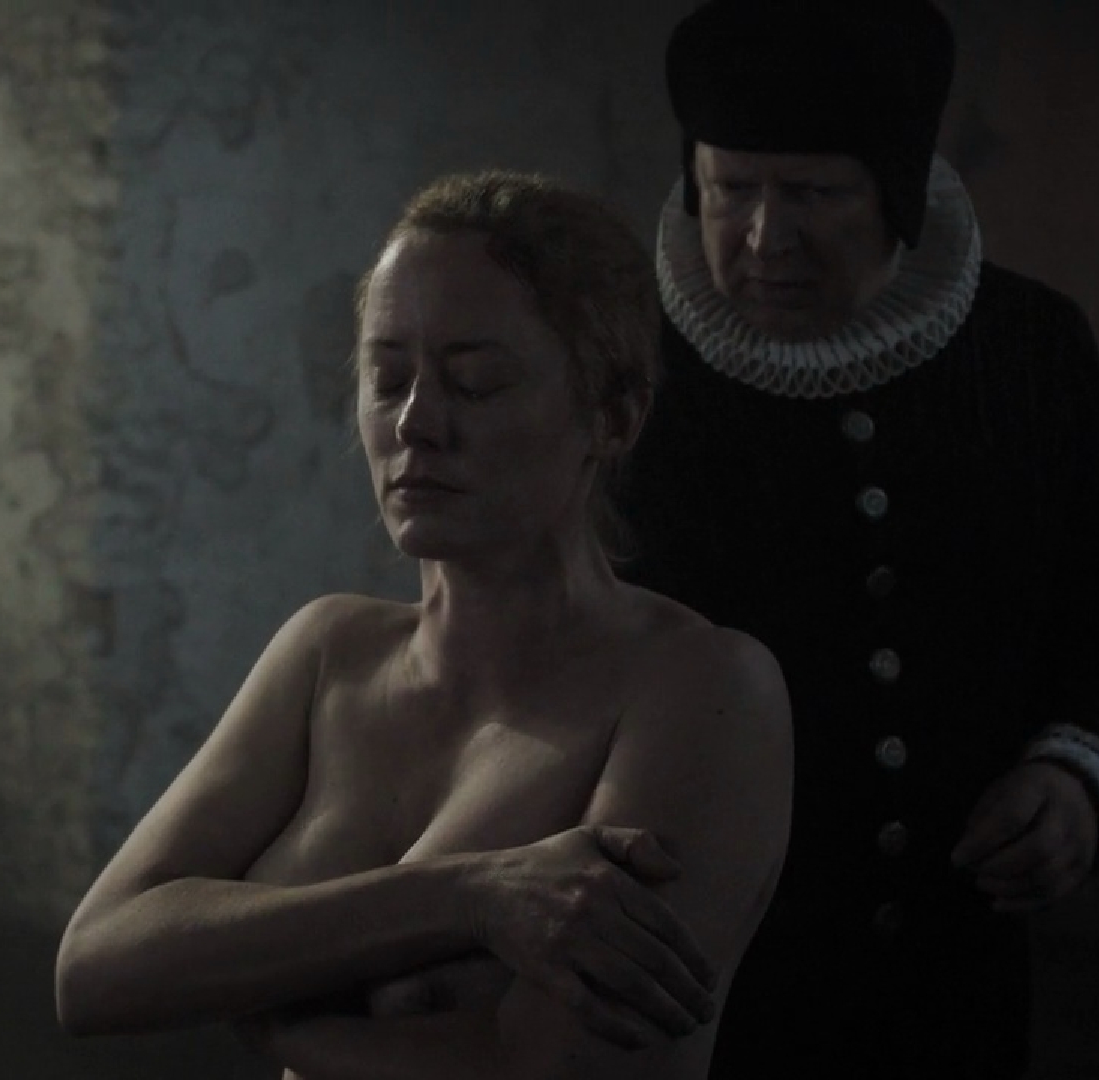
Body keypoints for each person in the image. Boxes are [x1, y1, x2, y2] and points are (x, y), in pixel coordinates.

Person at [56, 171, 794, 1079]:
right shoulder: (329, 653)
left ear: (612, 414)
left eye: (476, 384)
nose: (417, 423)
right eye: (388, 378)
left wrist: (270, 1012)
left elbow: (564, 1068)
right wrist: (466, 898)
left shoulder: (698, 688)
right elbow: (96, 966)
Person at [615, 2, 1099, 1077]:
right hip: (694, 994)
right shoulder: (623, 366)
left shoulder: (1032, 348)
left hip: (953, 981)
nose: (765, 239)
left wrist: (1076, 778)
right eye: (732, 189)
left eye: (814, 194)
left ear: (900, 188)